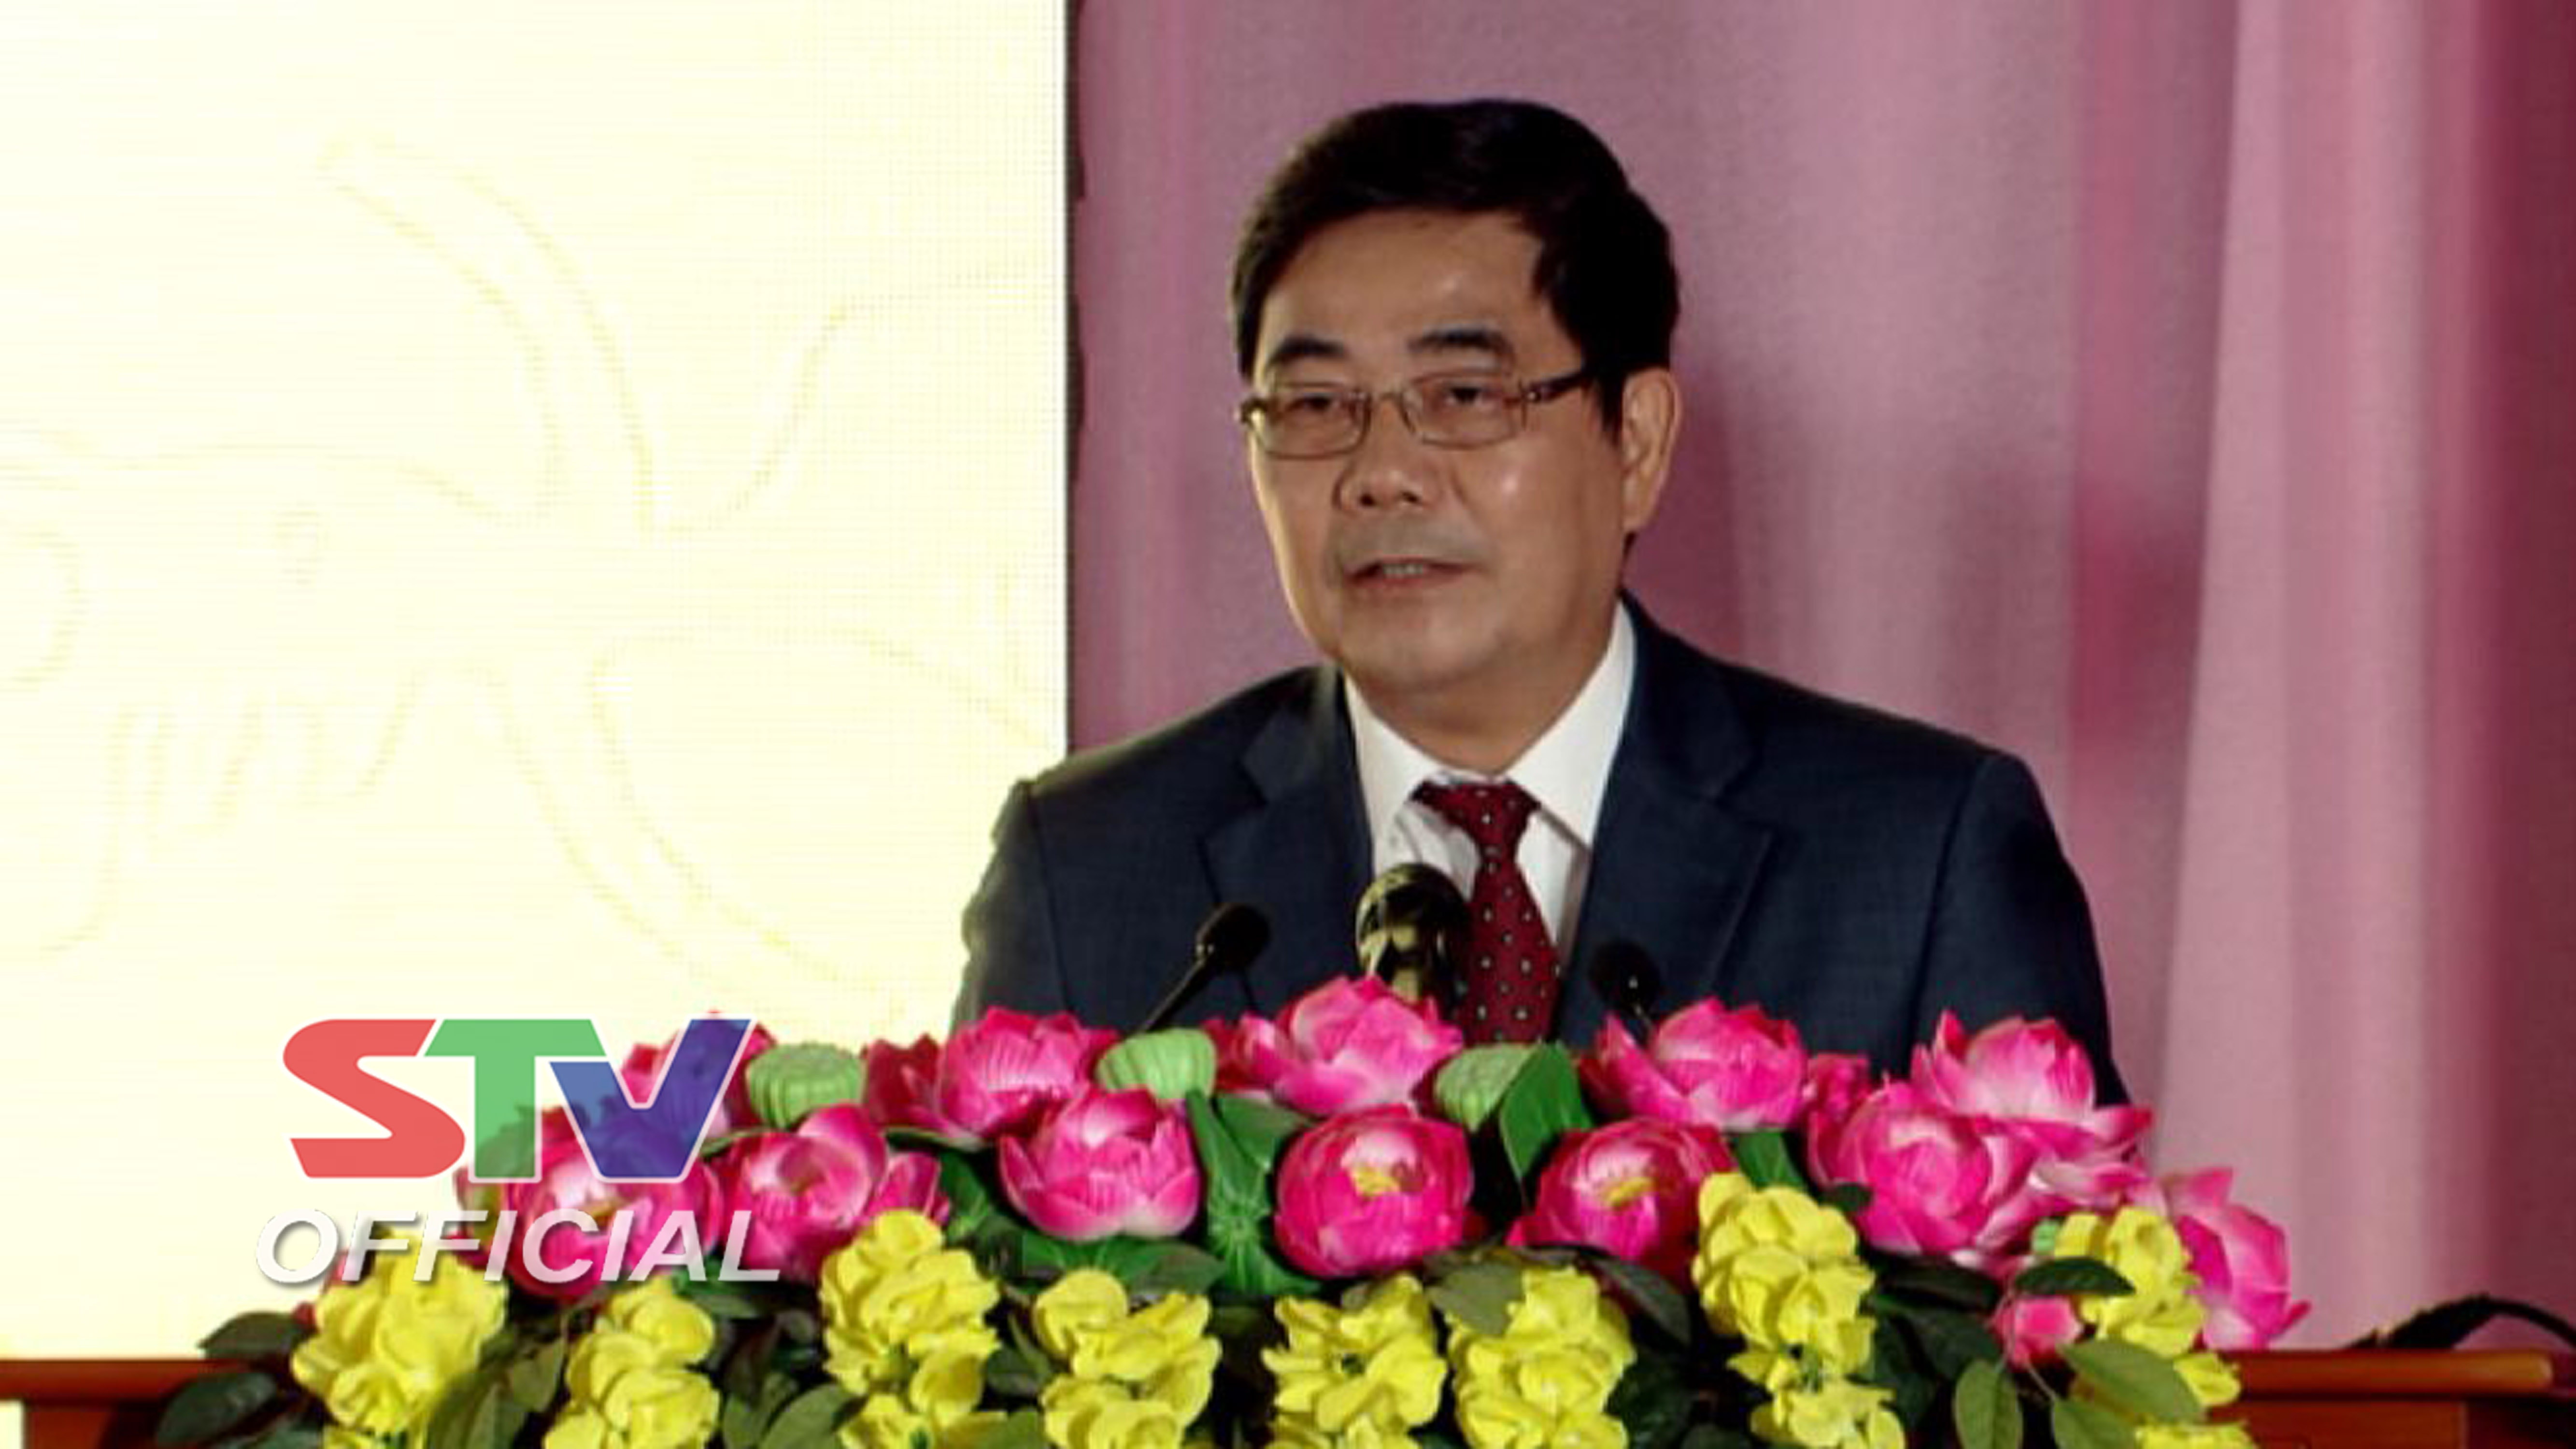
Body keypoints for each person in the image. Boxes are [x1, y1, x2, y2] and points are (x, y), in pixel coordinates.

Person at [953, 98, 2125, 1096]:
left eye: (1465, 396)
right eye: (1314, 408)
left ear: (1637, 441)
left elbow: (2071, 1295)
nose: (1382, 474)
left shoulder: (1917, 859)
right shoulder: (1092, 871)